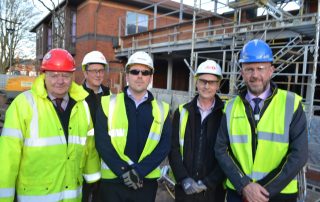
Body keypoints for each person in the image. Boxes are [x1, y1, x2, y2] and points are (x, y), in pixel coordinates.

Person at [0, 48, 101, 202]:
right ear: (43, 74)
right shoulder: (23, 105)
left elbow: (89, 145)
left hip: (72, 196)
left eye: (65, 76)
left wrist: (93, 177)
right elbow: (7, 157)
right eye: (53, 75)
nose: (60, 81)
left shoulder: (82, 106)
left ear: (72, 76)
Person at [215, 39, 308, 202]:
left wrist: (263, 191)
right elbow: (221, 149)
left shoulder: (291, 104)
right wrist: (244, 185)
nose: (255, 75)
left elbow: (299, 154)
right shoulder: (229, 107)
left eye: (261, 68)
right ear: (242, 72)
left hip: (279, 194)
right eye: (249, 69)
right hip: (239, 193)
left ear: (271, 70)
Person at [95, 51, 171, 202]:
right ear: (127, 74)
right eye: (135, 71)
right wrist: (124, 171)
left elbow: (164, 145)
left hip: (145, 183)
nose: (140, 76)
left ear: (151, 77)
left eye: (145, 72)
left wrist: (139, 172)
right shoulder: (107, 103)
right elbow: (102, 142)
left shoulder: (162, 109)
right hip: (113, 182)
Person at [169, 60, 226, 202]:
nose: (206, 86)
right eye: (203, 81)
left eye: (212, 82)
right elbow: (173, 148)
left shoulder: (226, 115)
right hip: (185, 190)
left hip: (213, 192)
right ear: (196, 82)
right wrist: (183, 178)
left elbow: (229, 153)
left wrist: (209, 182)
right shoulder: (182, 112)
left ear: (218, 85)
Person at [81, 51, 110, 202]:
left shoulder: (109, 95)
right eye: (94, 71)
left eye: (101, 70)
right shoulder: (77, 96)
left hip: (104, 157)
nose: (99, 75)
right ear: (85, 73)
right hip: (83, 158)